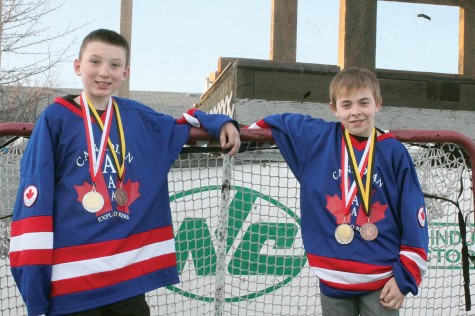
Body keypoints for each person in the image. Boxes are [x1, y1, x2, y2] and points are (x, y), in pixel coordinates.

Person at [9, 29, 240, 316]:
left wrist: (222, 122)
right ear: (78, 66)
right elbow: (33, 200)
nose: (104, 72)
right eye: (95, 62)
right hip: (72, 285)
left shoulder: (135, 116)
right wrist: (35, 285)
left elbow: (183, 122)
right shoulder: (55, 120)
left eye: (114, 65)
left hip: (126, 283)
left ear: (125, 72)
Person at [246, 67, 428, 315]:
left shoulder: (394, 153)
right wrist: (223, 126)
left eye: (364, 102)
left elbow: (413, 214)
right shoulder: (317, 139)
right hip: (332, 280)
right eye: (346, 104)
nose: (355, 112)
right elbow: (274, 123)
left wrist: (404, 278)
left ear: (378, 104)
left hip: (382, 281)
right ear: (334, 109)